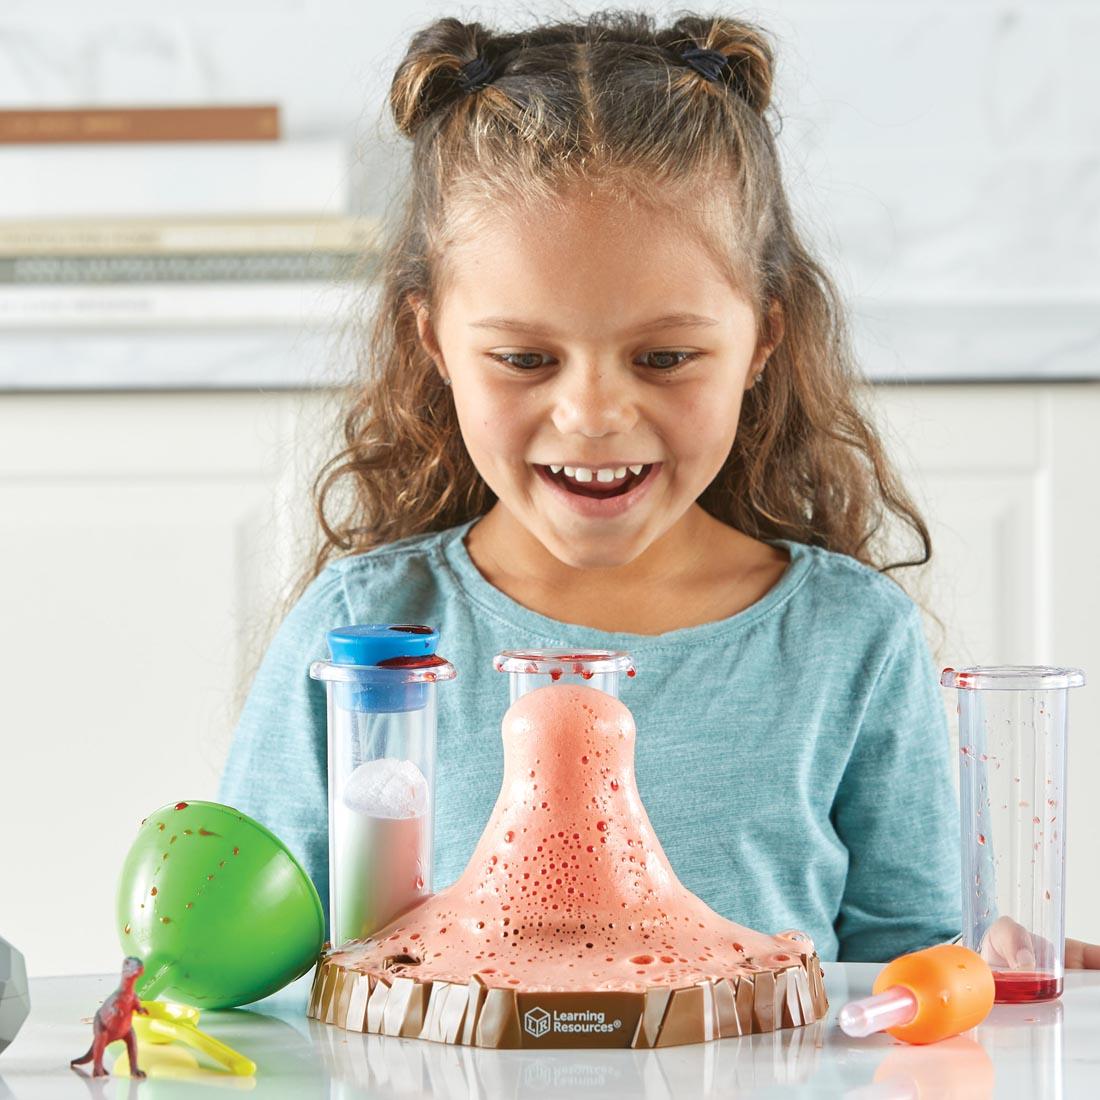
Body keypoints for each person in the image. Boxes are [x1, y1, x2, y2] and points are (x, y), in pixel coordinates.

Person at [218, 10, 1098, 968]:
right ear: (434, 344)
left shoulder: (849, 640)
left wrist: (982, 967)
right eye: (522, 357)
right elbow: (248, 964)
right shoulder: (363, 633)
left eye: (667, 356)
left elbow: (904, 974)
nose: (593, 414)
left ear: (763, 338)